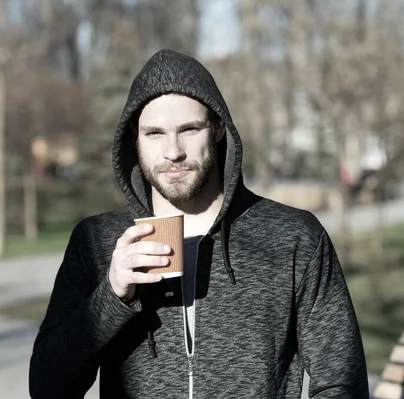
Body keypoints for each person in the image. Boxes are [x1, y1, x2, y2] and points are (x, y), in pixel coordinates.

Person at [29, 49, 368, 398]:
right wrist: (111, 296)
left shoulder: (294, 238)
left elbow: (342, 380)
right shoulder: (98, 242)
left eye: (189, 129)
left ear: (218, 128)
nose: (172, 151)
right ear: (135, 138)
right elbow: (47, 387)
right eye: (154, 133)